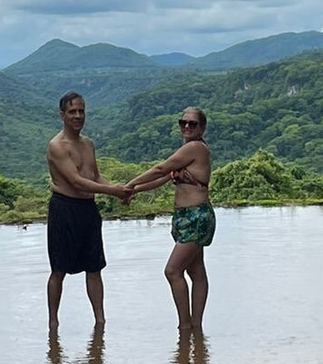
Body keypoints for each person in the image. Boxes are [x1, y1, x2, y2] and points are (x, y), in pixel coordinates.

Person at [46, 91, 133, 330]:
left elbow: (94, 177)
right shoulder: (57, 146)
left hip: (88, 210)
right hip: (65, 209)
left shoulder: (88, 144)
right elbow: (76, 182)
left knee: (95, 267)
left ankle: (100, 320)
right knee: (59, 269)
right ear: (62, 115)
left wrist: (120, 190)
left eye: (81, 111)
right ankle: (53, 323)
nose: (77, 116)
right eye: (72, 111)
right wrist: (113, 191)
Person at [125, 107, 214, 331]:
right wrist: (134, 191)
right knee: (196, 271)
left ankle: (185, 327)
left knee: (172, 271)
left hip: (196, 216)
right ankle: (196, 330)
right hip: (185, 217)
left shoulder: (195, 148)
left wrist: (130, 184)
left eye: (192, 123)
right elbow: (164, 177)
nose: (187, 126)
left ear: (202, 128)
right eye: (183, 122)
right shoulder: (185, 150)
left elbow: (160, 168)